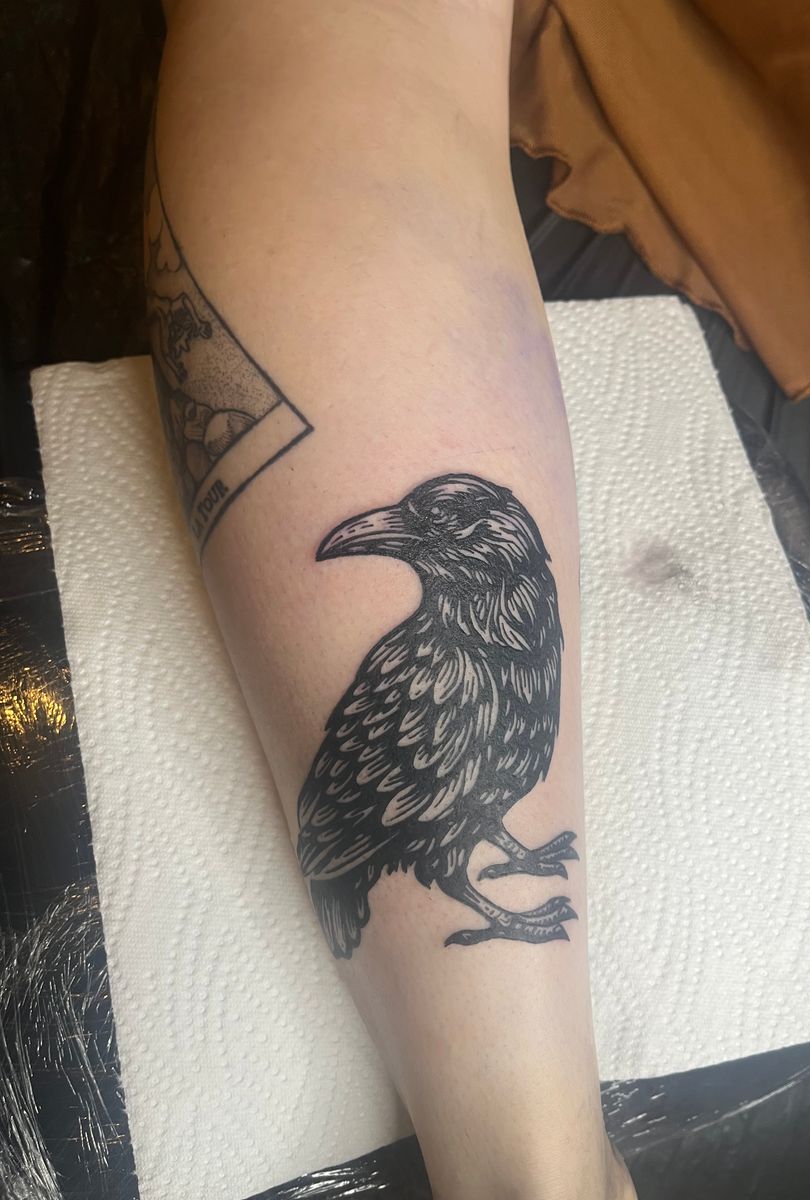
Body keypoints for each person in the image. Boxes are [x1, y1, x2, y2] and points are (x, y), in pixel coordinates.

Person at [147, 2, 637, 1197]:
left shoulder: (501, 640)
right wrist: (537, 1166)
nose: (383, 536)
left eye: (426, 533)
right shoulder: (441, 665)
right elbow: (348, 62)